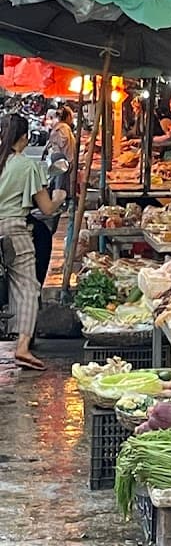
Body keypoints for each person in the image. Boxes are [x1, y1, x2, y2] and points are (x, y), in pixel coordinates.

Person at [0, 114, 66, 370]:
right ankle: (23, 347)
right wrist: (60, 196)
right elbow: (47, 208)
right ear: (25, 137)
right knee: (27, 287)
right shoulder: (26, 166)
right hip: (15, 231)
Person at [44, 106, 76, 194]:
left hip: (60, 158)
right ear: (68, 117)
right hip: (61, 159)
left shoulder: (59, 127)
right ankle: (59, 201)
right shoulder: (63, 128)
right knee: (61, 183)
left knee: (60, 181)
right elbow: (63, 143)